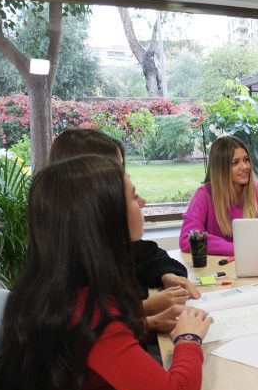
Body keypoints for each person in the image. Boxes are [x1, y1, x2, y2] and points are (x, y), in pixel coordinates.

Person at [0, 154, 213, 390]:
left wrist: (145, 324)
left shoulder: (56, 286)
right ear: (102, 219)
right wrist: (189, 338)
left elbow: (91, 349)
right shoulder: (89, 309)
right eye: (133, 196)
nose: (142, 203)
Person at [49, 128, 200, 333]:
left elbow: (147, 255)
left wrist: (166, 276)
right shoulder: (73, 272)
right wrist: (144, 310)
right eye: (114, 169)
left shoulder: (98, 246)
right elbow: (97, 329)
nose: (142, 202)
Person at [180, 135, 258, 255]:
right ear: (221, 168)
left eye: (246, 160)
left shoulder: (257, 189)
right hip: (220, 268)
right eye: (235, 163)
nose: (244, 167)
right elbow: (188, 239)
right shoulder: (204, 194)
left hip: (254, 262)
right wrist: (237, 248)